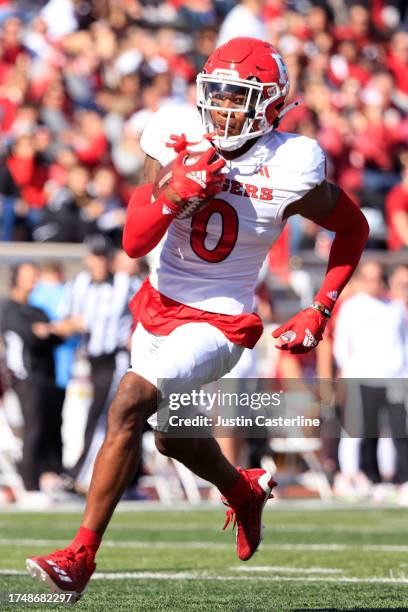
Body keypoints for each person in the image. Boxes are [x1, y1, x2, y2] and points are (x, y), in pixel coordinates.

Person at [26, 37, 369, 601]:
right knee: (171, 437)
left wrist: (321, 305)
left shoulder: (292, 161)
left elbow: (353, 228)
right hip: (158, 306)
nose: (224, 108)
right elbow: (135, 241)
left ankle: (79, 557)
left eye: (241, 97)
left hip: (222, 319)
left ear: (271, 106)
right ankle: (242, 490)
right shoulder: (173, 131)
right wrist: (169, 195)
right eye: (218, 94)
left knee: (129, 399)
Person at [1, 262, 64, 499]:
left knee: (52, 427)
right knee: (33, 429)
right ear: (16, 279)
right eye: (29, 277)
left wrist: (48, 330)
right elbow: (30, 336)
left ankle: (52, 477)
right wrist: (47, 331)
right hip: (25, 378)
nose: (34, 281)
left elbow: (55, 337)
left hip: (47, 376)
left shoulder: (37, 310)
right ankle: (30, 484)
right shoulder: (9, 309)